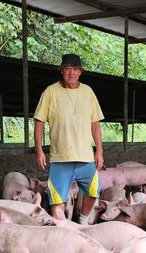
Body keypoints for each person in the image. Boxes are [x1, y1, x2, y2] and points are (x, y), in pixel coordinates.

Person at [33, 53, 104, 224]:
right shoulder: (50, 92)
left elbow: (95, 124)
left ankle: (83, 220)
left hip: (85, 156)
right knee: (57, 199)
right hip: (60, 158)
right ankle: (62, 229)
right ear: (62, 71)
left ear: (80, 72)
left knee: (94, 192)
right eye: (67, 69)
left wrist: (99, 151)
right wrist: (39, 150)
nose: (71, 73)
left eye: (75, 69)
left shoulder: (88, 92)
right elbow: (39, 122)